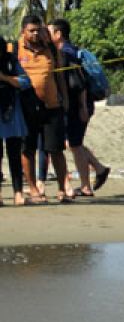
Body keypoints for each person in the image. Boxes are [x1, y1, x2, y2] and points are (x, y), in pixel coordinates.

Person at [47, 19, 109, 198]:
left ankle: (86, 185)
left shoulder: (66, 53)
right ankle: (98, 169)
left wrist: (82, 106)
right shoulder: (71, 51)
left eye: (49, 32)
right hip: (77, 104)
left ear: (58, 34)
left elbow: (78, 84)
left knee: (74, 143)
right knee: (73, 143)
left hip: (77, 104)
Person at [16, 16, 72, 203]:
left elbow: (60, 78)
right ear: (23, 31)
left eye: (38, 30)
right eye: (31, 30)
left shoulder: (52, 50)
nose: (35, 33)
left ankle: (63, 189)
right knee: (28, 150)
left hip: (52, 106)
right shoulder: (15, 49)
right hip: (26, 108)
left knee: (56, 150)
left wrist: (65, 100)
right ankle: (33, 190)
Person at [0, 37, 29, 205]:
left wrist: (5, 78)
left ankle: (18, 192)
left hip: (11, 113)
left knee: (14, 155)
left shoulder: (11, 61)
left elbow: (25, 82)